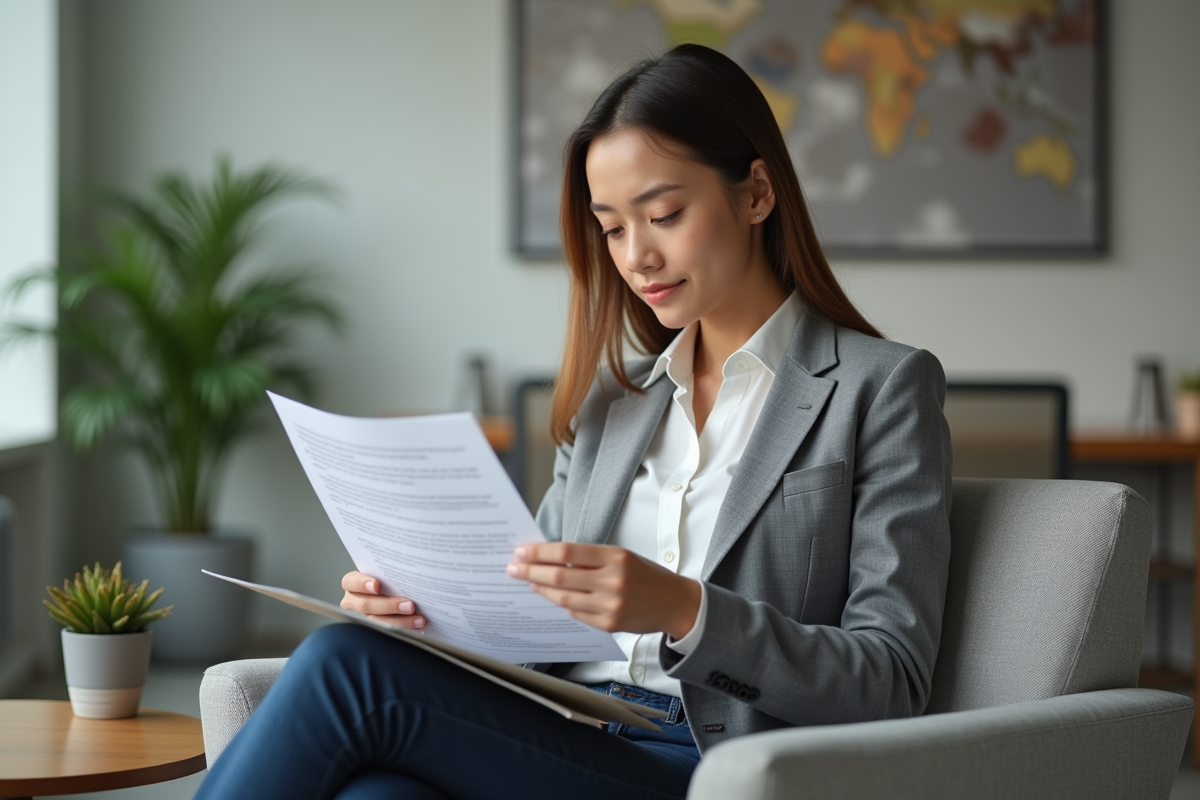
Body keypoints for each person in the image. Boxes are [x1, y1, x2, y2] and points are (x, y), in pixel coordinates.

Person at [196, 43, 952, 800]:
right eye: (612, 228)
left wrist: (684, 610)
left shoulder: (880, 388)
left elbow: (890, 680)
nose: (637, 256)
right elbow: (528, 636)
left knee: (342, 666)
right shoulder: (613, 405)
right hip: (573, 736)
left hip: (717, 766)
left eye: (664, 215)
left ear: (756, 193)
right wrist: (422, 616)